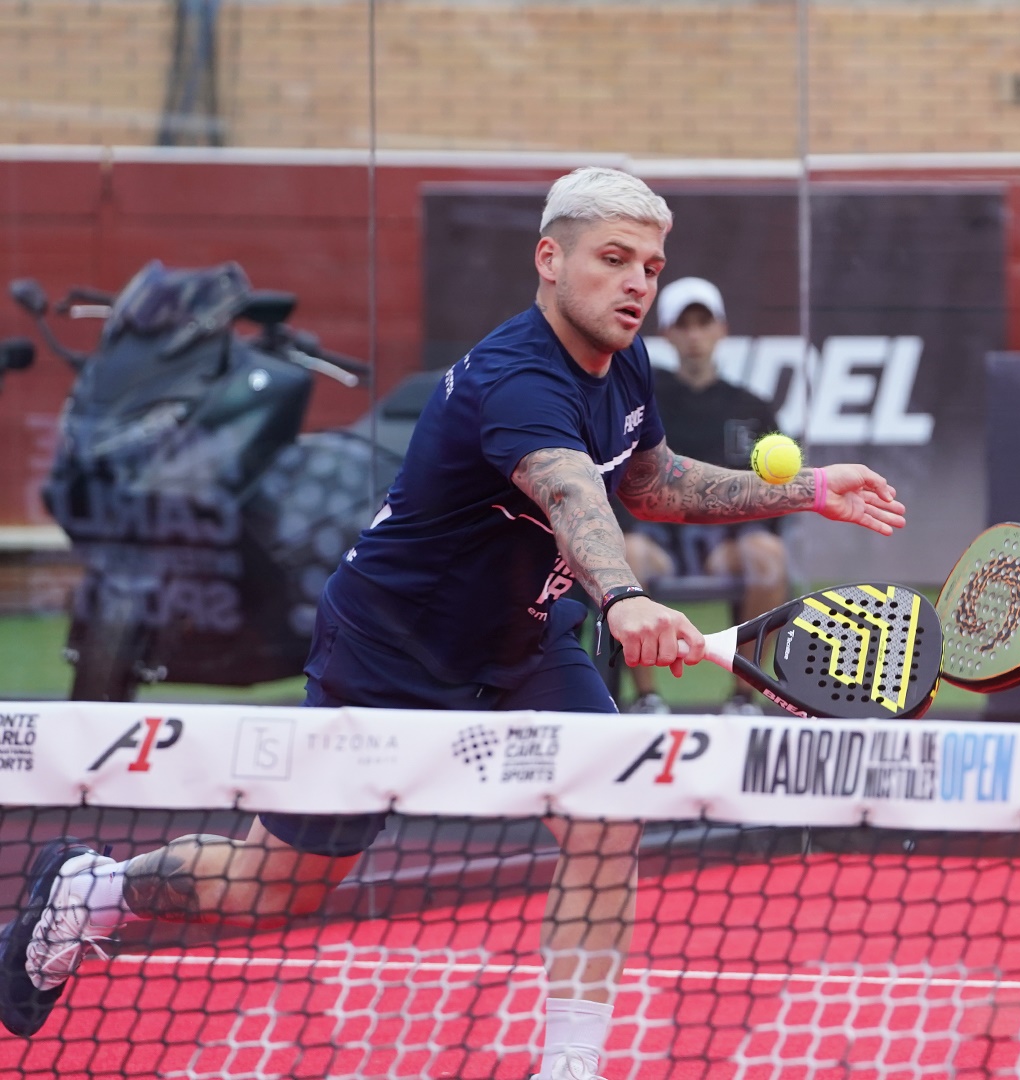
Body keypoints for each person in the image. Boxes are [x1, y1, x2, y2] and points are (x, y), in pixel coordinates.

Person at [0, 167, 908, 1080]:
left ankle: (571, 1064)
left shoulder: (622, 359)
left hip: (527, 645)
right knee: (274, 885)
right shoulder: (514, 379)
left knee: (608, 817)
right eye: (614, 259)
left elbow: (648, 480)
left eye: (652, 266)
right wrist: (627, 598)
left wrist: (809, 489)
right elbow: (569, 490)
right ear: (549, 260)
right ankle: (94, 889)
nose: (638, 284)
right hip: (392, 655)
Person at [617, 276, 787, 716]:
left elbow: (774, 495)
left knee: (767, 553)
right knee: (626, 553)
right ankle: (647, 698)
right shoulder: (642, 398)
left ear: (721, 329)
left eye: (703, 323)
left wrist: (752, 529)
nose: (694, 335)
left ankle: (743, 698)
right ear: (667, 334)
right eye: (683, 325)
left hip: (723, 542)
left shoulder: (753, 406)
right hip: (656, 540)